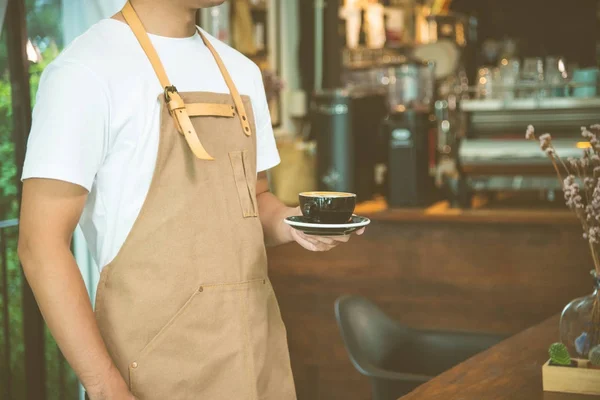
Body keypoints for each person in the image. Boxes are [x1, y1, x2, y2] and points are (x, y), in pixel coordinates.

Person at [17, 1, 365, 399]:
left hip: (255, 354)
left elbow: (255, 200)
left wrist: (294, 224)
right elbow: (39, 246)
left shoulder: (241, 73)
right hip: (153, 369)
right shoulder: (84, 72)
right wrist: (103, 384)